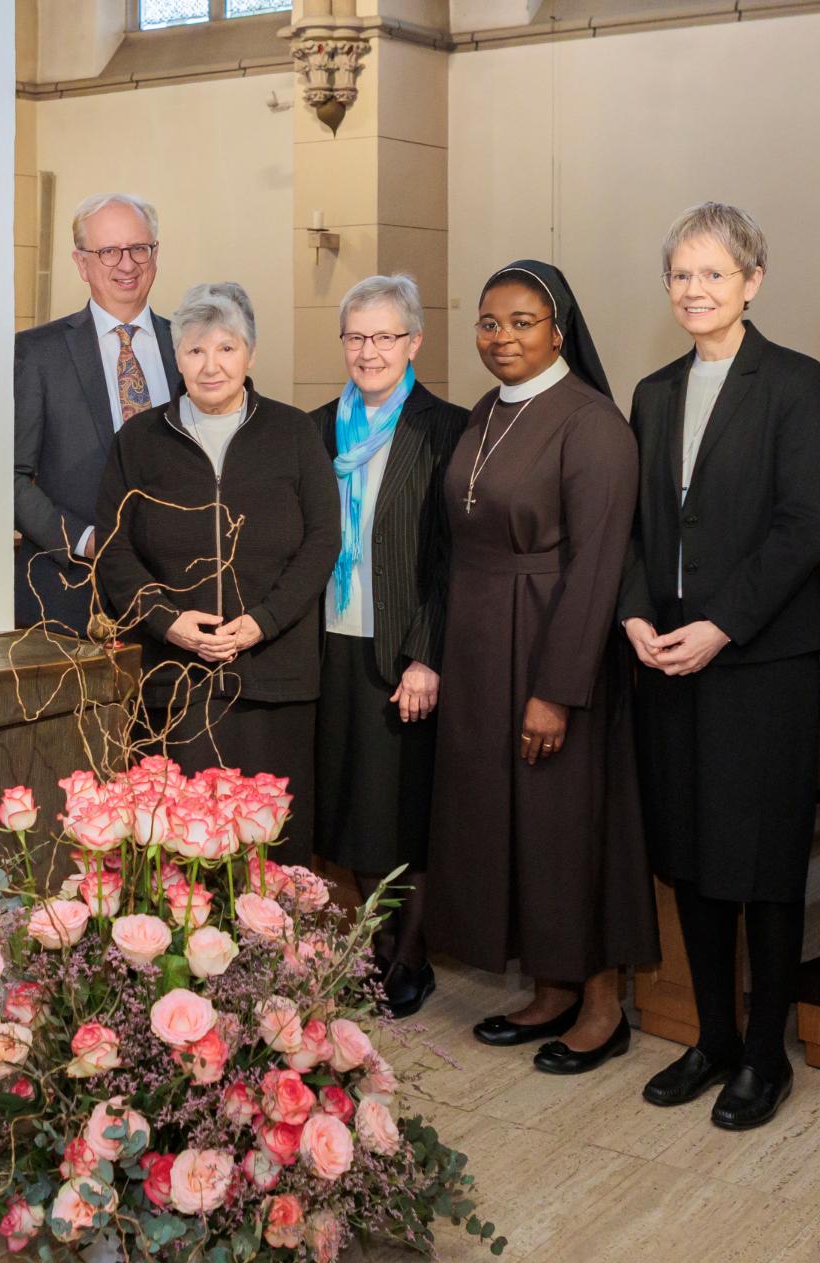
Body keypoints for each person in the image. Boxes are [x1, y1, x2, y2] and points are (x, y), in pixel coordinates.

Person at [617, 203, 820, 1130]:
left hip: (758, 659)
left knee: (763, 863)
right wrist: (632, 612)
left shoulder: (793, 382)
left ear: (752, 280)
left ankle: (763, 1054)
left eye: (713, 273)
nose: (694, 290)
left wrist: (722, 626)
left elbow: (802, 529)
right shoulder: (654, 390)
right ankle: (710, 1038)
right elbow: (631, 525)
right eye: (680, 275)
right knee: (694, 858)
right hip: (666, 655)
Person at [427, 260, 655, 1073]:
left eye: (523, 322)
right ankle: (550, 987)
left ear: (559, 330)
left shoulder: (593, 423)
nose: (502, 338)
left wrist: (556, 691)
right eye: (489, 323)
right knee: (510, 824)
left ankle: (600, 1004)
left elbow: (597, 567)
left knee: (566, 827)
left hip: (557, 646)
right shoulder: (486, 412)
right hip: (485, 647)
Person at [93, 282, 339, 862]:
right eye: (195, 351)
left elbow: (323, 540)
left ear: (250, 355)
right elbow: (114, 549)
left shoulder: (294, 433)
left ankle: (276, 954)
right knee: (184, 852)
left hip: (275, 679)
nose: (211, 366)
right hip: (178, 683)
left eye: (226, 349)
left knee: (271, 852)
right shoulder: (140, 440)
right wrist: (165, 621)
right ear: (176, 358)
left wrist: (264, 621)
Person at [307, 274, 468, 1018]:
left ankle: (410, 955)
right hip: (330, 643)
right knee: (350, 806)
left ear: (415, 343)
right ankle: (368, 950)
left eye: (385, 336)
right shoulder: (314, 430)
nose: (369, 351)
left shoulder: (447, 429)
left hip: (402, 649)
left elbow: (451, 558)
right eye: (356, 336)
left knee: (406, 808)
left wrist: (427, 653)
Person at [15, 193, 176, 635]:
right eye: (108, 252)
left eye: (138, 248)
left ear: (155, 255)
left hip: (178, 595)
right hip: (71, 597)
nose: (127, 265)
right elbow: (9, 477)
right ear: (82, 263)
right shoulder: (37, 354)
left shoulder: (189, 346)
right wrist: (85, 541)